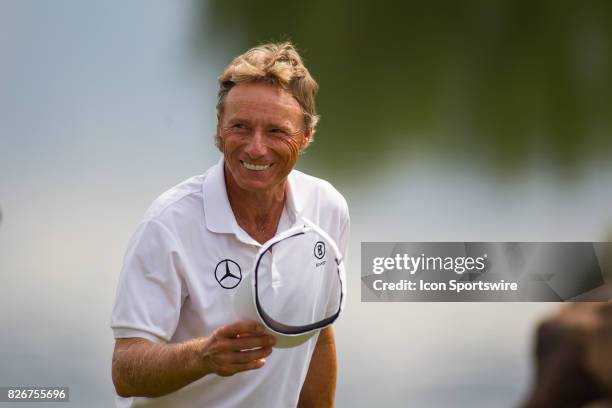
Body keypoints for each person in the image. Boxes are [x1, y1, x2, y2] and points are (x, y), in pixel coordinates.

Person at [110, 42, 350, 407]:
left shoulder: (327, 207)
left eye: (275, 131)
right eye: (240, 126)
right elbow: (125, 372)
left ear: (306, 136)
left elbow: (318, 333)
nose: (255, 148)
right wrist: (202, 357)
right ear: (220, 129)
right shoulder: (168, 223)